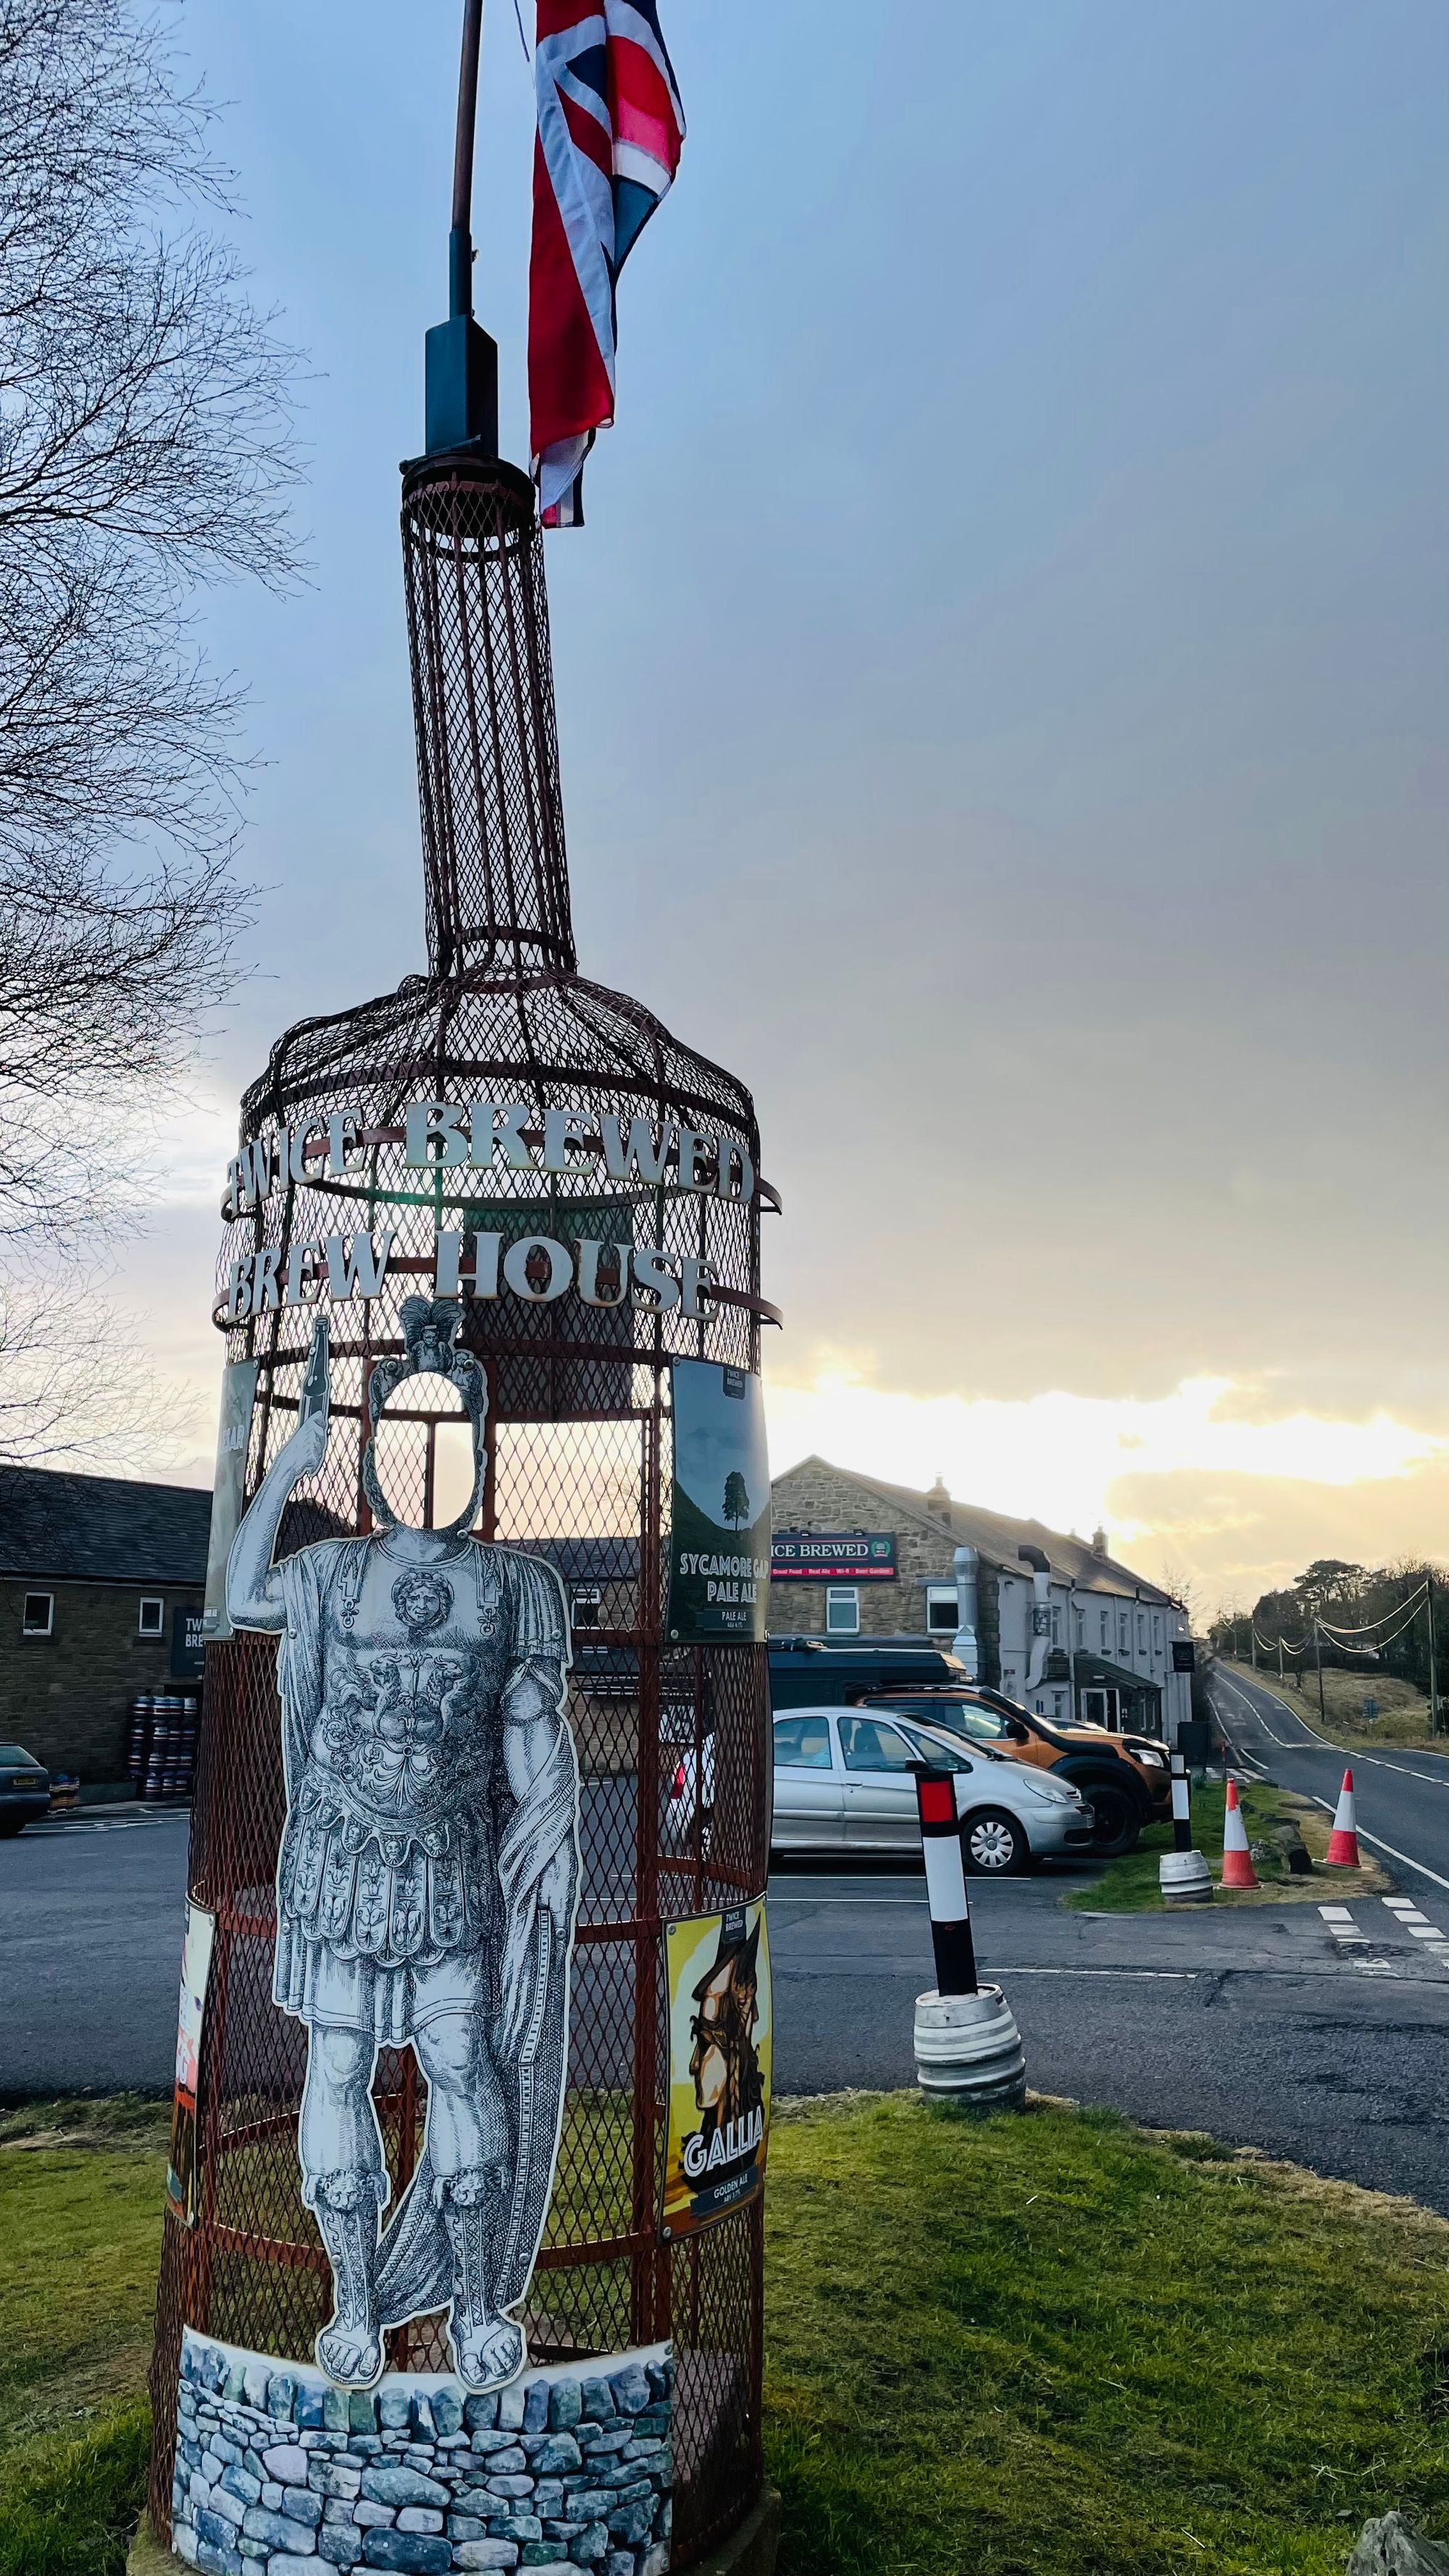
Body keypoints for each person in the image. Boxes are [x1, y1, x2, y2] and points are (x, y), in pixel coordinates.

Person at [226, 1302, 579, 2393]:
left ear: (479, 1443)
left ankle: (476, 2310)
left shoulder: (521, 1587)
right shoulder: (329, 1574)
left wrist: (550, 1828)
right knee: (336, 2065)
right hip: (339, 1860)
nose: (431, 1458)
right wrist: (290, 1461)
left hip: (452, 1865)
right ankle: (355, 2310)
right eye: (407, 1428)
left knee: (462, 2065)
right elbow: (240, 1593)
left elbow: (531, 1726)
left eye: (453, 1427)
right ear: (375, 1448)